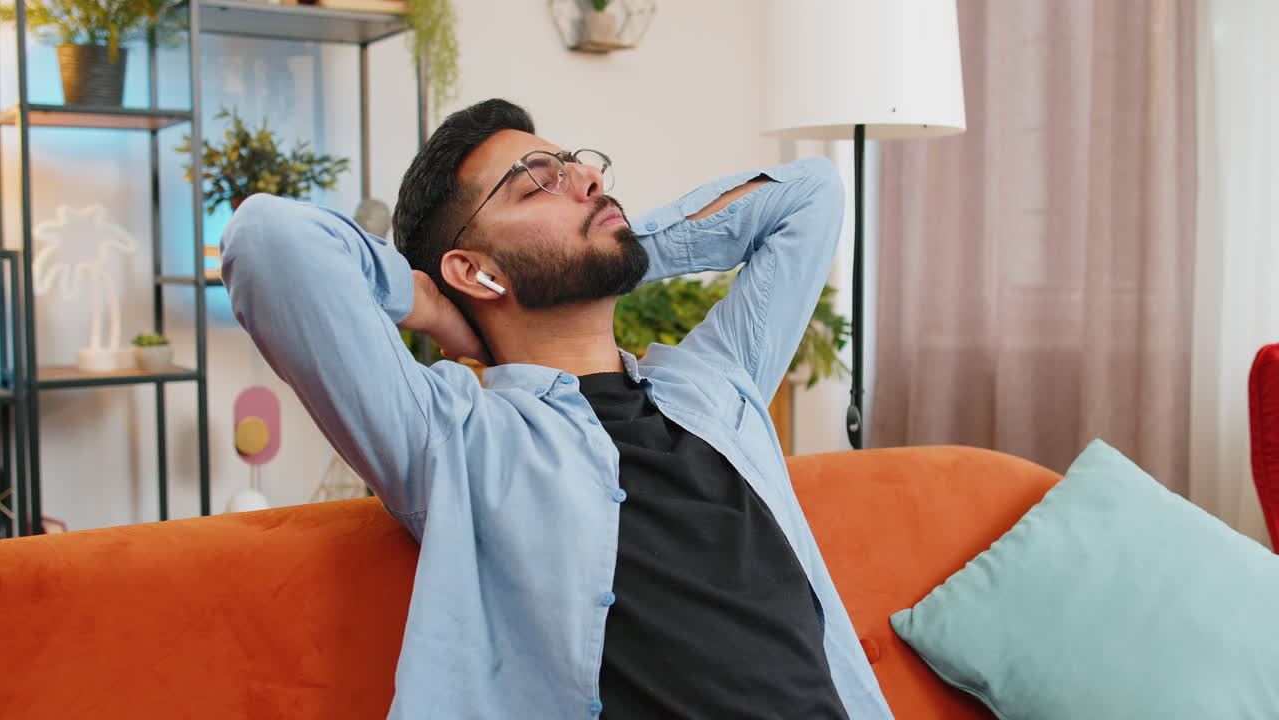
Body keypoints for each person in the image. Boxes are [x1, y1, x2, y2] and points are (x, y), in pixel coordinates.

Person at [221, 99, 893, 720]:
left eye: (578, 165)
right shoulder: (455, 437)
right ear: (473, 269)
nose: (589, 181)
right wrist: (434, 304)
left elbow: (811, 193)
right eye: (537, 180)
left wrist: (616, 249)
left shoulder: (717, 385)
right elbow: (267, 239)